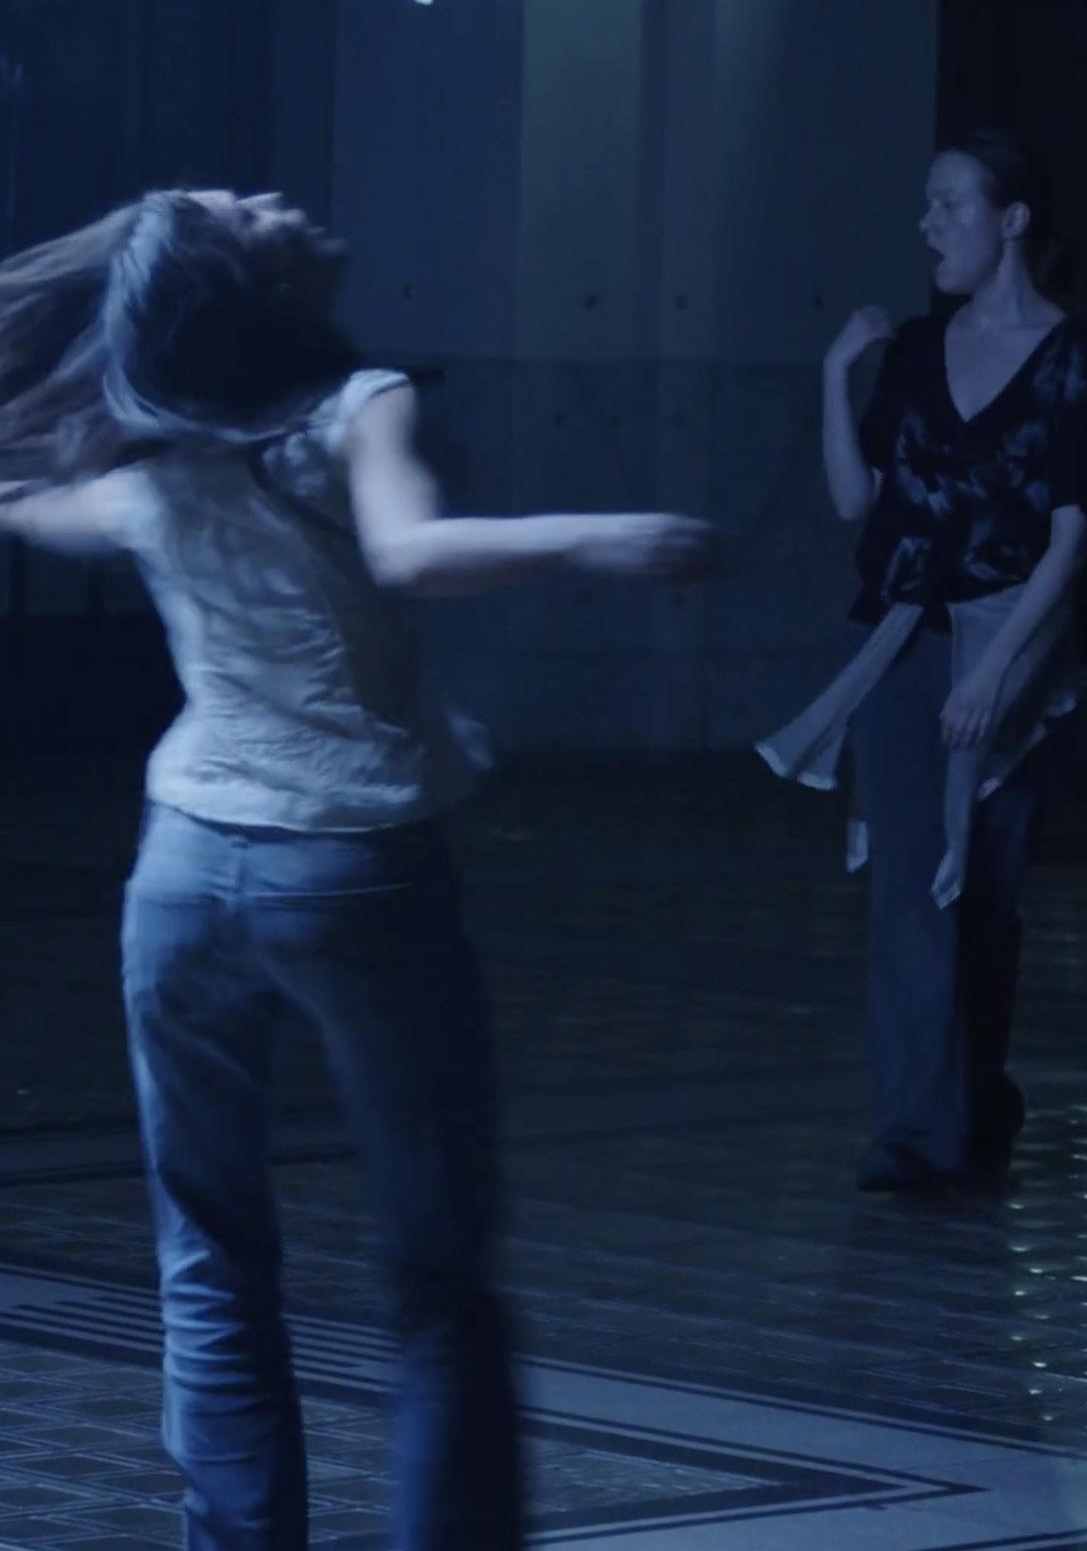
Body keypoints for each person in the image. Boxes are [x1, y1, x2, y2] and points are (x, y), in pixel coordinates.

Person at [0, 187, 717, 1549]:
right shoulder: (357, 406)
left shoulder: (156, 446)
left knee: (210, 1251)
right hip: (349, 866)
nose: (269, 198)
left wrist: (23, 496)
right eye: (239, 211)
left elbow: (53, 513)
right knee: (437, 1266)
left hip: (183, 872)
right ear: (250, 283)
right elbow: (405, 550)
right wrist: (597, 537)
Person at [757, 129, 1087, 1194]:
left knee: (983, 893)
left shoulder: (1071, 356)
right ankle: (913, 1129)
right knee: (910, 886)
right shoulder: (912, 349)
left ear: (1013, 220)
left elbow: (1071, 538)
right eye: (927, 205)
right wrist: (834, 374)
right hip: (899, 641)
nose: (928, 224)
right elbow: (856, 503)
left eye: (951, 204)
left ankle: (977, 1100)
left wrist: (993, 677)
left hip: (1010, 642)